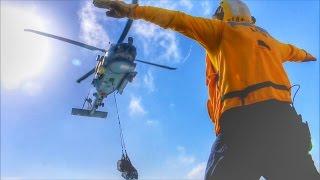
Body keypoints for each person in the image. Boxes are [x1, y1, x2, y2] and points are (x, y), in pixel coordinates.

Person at [93, 0, 320, 179]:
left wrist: (131, 10)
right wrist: (310, 56)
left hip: (242, 128)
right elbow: (295, 52)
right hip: (284, 125)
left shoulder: (220, 30)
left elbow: (174, 19)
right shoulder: (272, 43)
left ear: (222, 15)